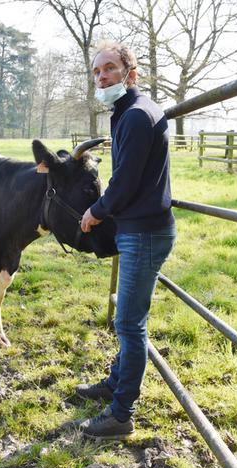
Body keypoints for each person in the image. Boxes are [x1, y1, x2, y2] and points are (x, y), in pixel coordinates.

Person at [76, 40, 176, 439]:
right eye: (97, 71)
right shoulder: (128, 112)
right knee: (127, 320)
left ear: (130, 74)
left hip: (145, 232)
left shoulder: (135, 116)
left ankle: (121, 413)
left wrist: (95, 211)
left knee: (129, 324)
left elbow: (125, 181)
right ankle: (116, 383)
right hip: (140, 228)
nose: (102, 76)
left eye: (110, 69)